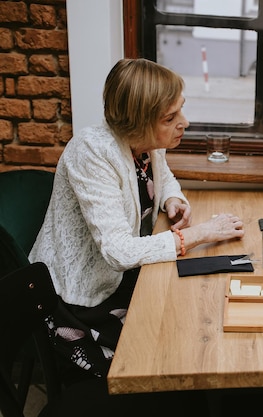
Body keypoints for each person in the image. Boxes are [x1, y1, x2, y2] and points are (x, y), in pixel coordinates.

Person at [29, 58, 245, 384]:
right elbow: (118, 252)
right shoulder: (91, 152)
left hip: (125, 279)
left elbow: (165, 175)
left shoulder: (146, 145)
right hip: (80, 297)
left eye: (180, 111)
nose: (184, 123)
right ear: (139, 123)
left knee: (193, 315)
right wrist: (200, 233)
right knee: (161, 355)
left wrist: (173, 198)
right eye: (170, 118)